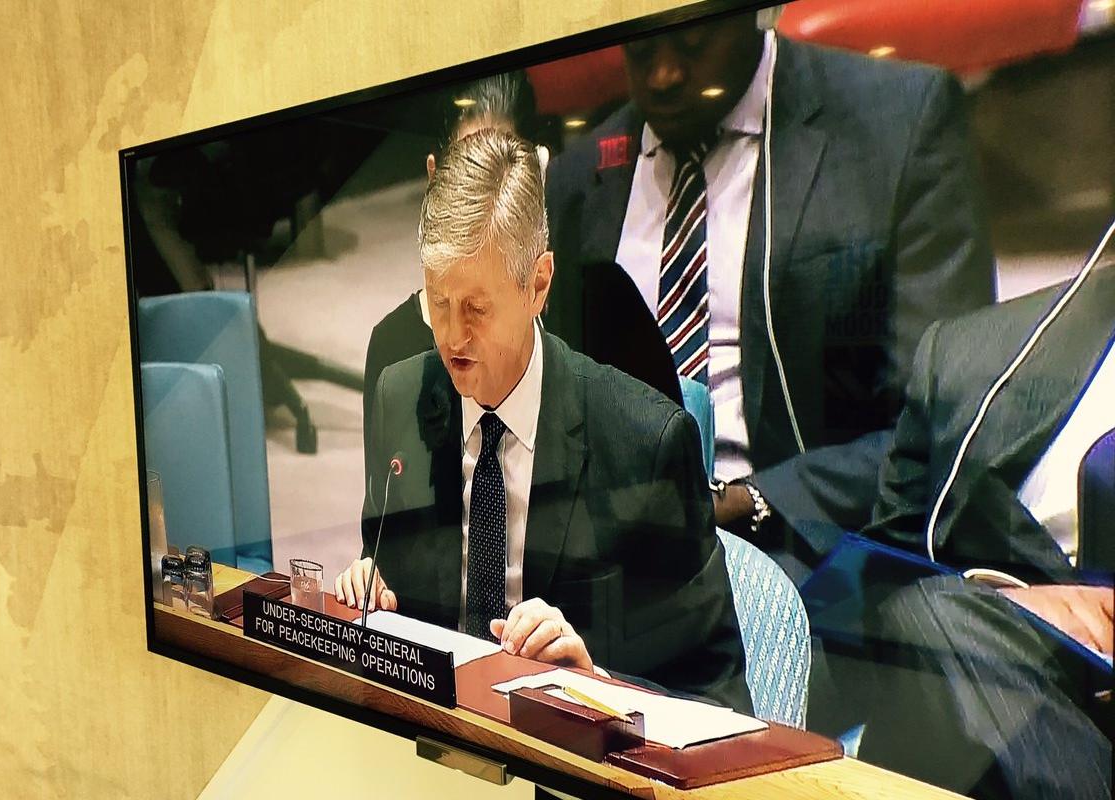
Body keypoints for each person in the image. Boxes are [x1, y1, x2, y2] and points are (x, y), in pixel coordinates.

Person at [542, 8, 996, 570]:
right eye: (640, 48)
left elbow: (950, 421)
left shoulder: (899, 124)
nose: (663, 75)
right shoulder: (579, 179)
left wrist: (755, 501)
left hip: (813, 547)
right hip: (620, 557)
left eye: (691, 43)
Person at [336, 129, 751, 710]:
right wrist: (369, 593)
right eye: (438, 303)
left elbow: (719, 699)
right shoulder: (400, 398)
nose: (452, 336)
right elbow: (394, 595)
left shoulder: (645, 443)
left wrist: (596, 683)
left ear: (538, 285)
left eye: (476, 308)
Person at [854, 255, 1115, 799]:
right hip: (989, 692)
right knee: (928, 616)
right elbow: (880, 589)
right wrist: (1002, 604)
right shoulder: (969, 359)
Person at [362, 71, 543, 441]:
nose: (482, 195)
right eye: (466, 175)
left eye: (502, 176)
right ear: (434, 178)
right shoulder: (393, 350)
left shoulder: (578, 310)